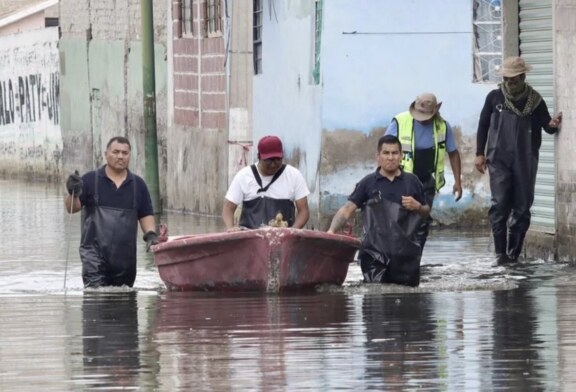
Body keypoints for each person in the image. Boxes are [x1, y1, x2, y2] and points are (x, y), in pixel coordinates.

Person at [475, 56, 562, 264]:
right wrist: (479, 153)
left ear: (523, 77)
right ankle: (500, 255)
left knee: (522, 208)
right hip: (498, 159)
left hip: (526, 159)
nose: (509, 83)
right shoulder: (494, 98)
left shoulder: (535, 100)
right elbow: (483, 124)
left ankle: (513, 255)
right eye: (506, 78)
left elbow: (547, 127)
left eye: (514, 79)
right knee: (500, 204)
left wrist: (553, 124)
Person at [327, 135, 430, 287]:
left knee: (408, 304)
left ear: (401, 156)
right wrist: (331, 231)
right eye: (386, 153)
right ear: (378, 156)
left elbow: (426, 212)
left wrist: (418, 207)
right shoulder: (367, 183)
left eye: (395, 153)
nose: (390, 158)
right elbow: (348, 209)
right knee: (375, 300)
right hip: (374, 256)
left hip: (406, 257)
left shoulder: (412, 182)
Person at [64, 136, 159, 288]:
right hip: (93, 259)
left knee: (124, 306)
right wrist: (72, 192)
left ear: (129, 156)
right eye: (115, 152)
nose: (120, 156)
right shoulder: (90, 180)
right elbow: (71, 208)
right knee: (96, 301)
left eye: (124, 153)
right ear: (106, 154)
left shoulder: (138, 185)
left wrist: (151, 234)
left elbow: (145, 213)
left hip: (125, 262)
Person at [385, 92, 462, 248]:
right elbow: (384, 150)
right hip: (401, 181)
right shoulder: (400, 122)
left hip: (426, 182)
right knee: (398, 220)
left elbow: (453, 154)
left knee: (421, 222)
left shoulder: (442, 127)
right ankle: (397, 257)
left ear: (434, 112)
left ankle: (415, 260)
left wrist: (457, 182)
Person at [222, 135, 310, 230]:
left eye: (277, 160)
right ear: (259, 157)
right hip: (249, 237)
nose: (273, 165)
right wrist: (230, 227)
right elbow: (228, 208)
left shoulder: (294, 175)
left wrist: (293, 230)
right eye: (269, 160)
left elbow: (303, 210)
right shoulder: (244, 176)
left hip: (283, 237)